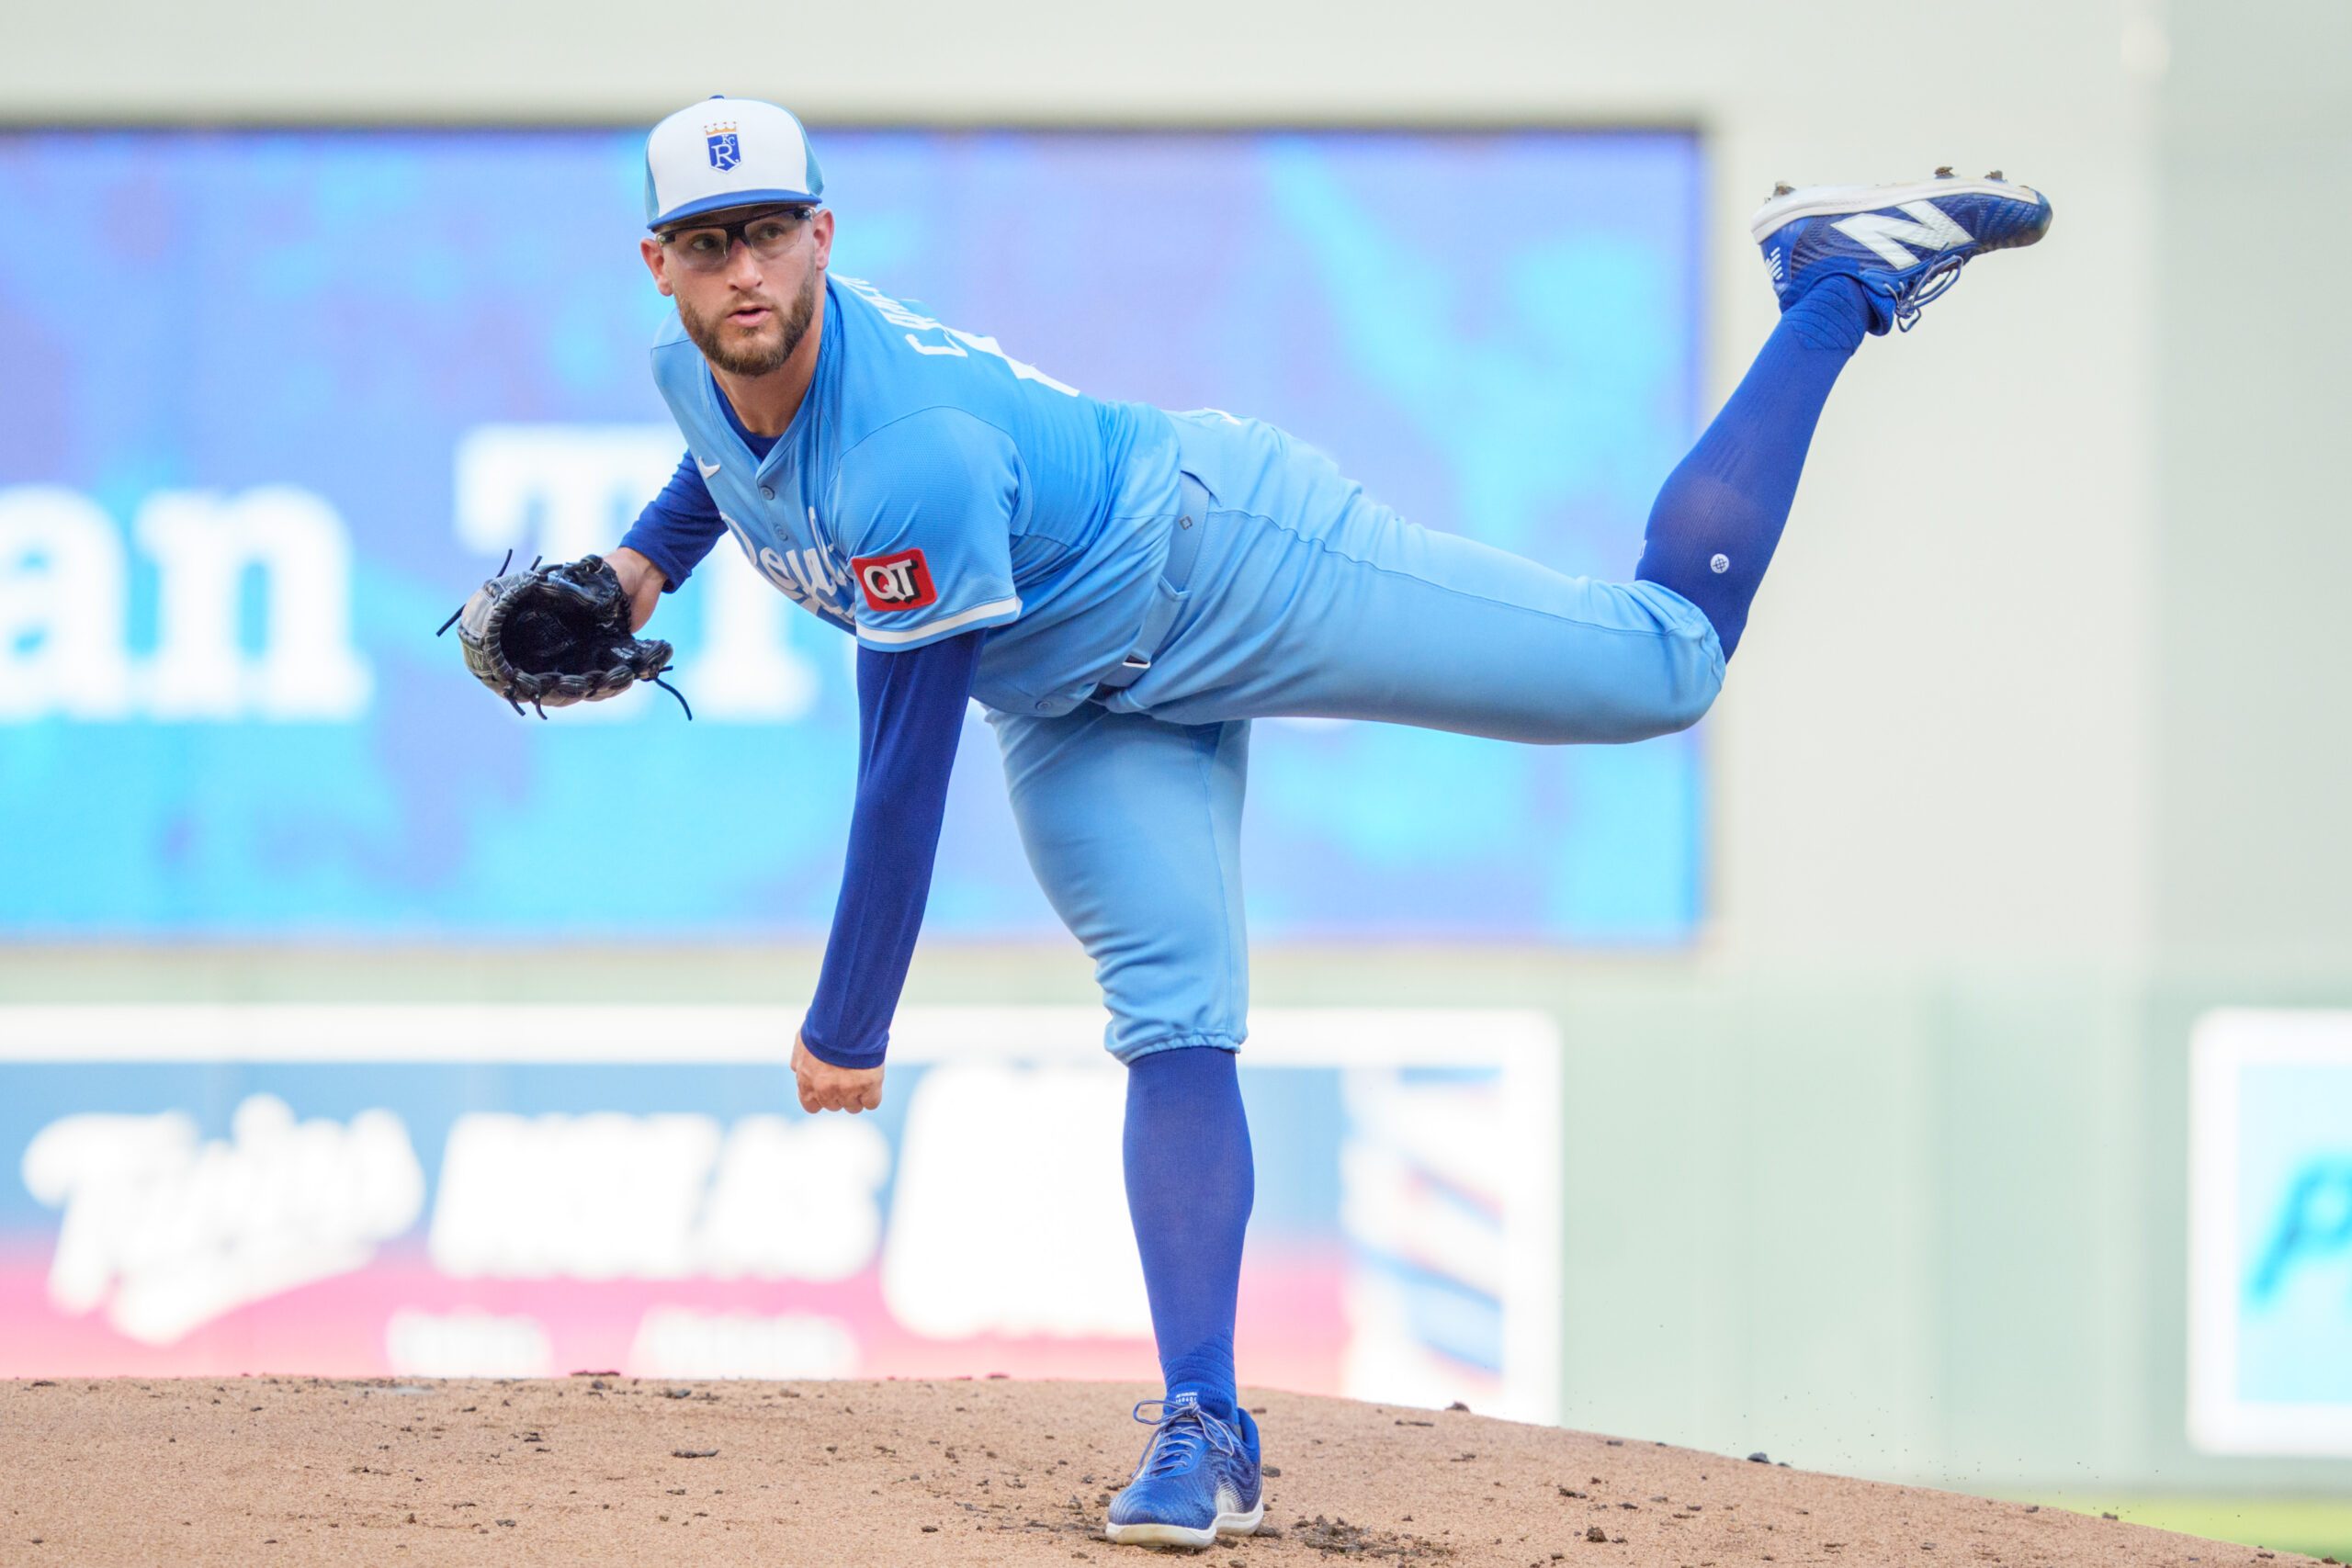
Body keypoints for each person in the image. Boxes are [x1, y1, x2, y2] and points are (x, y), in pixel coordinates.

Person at [606, 96, 2051, 1550]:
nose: (748, 273)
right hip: (1082, 707)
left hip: (1226, 557)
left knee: (1661, 665)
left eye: (773, 236)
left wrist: (851, 1018)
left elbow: (902, 763)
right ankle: (1202, 1427)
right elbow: (728, 468)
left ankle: (1839, 282)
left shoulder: (908, 447)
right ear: (661, 264)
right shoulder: (698, 367)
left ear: (824, 239)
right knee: (1174, 1015)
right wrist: (629, 576)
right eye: (712, 242)